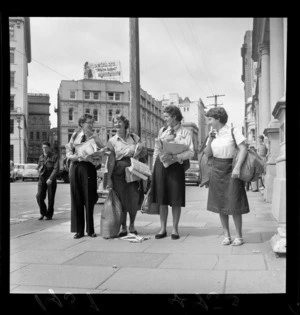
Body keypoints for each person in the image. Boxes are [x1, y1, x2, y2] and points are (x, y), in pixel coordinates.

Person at [204, 107, 249, 246]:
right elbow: (207, 154)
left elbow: (243, 149)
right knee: (220, 204)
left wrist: (237, 167)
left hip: (231, 168)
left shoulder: (232, 131)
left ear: (218, 118)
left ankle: (239, 236)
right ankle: (226, 235)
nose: (208, 122)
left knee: (234, 202)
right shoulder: (212, 134)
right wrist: (210, 140)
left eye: (210, 119)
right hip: (216, 169)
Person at [151, 105, 194, 240]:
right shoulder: (163, 130)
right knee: (162, 199)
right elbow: (156, 150)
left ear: (174, 116)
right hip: (161, 166)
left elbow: (191, 152)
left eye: (166, 117)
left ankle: (175, 229)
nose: (164, 119)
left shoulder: (186, 132)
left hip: (176, 167)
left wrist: (176, 157)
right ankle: (163, 228)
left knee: (176, 199)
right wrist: (153, 168)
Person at [66, 113, 107, 239]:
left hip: (89, 168)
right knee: (77, 198)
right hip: (76, 166)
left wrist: (98, 153)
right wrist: (74, 157)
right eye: (88, 122)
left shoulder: (95, 136)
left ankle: (90, 230)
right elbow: (68, 150)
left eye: (92, 122)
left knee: (89, 198)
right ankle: (79, 230)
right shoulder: (75, 135)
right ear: (82, 124)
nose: (90, 125)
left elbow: (105, 149)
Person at [106, 112, 147, 237]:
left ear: (125, 123)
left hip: (133, 170)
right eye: (115, 122)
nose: (117, 124)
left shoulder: (134, 138)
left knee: (133, 199)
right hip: (118, 173)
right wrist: (109, 178)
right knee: (121, 200)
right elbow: (111, 161)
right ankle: (123, 227)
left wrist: (140, 149)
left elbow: (144, 154)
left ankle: (132, 225)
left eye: (119, 122)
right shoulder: (112, 141)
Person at [36, 141, 59, 220]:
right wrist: (38, 172)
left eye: (46, 147)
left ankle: (49, 215)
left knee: (50, 198)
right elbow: (39, 166)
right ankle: (43, 212)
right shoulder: (41, 157)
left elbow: (56, 168)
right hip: (42, 178)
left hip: (50, 179)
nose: (44, 149)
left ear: (49, 148)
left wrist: (51, 178)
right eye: (43, 148)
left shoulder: (55, 156)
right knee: (39, 196)